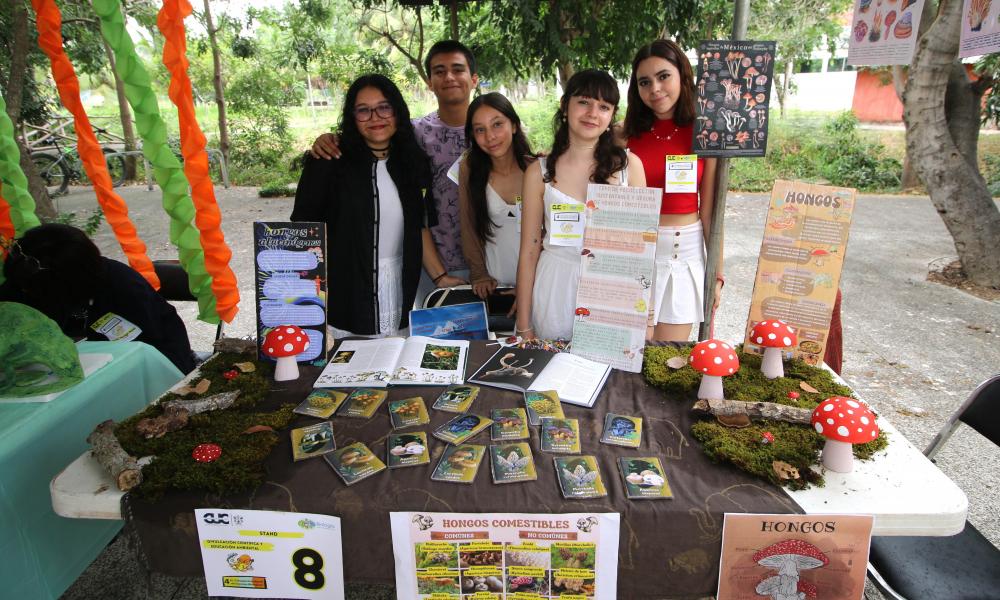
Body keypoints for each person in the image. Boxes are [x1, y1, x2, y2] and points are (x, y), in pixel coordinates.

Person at [311, 40, 478, 303]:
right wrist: (330, 138)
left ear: (474, 78)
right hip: (429, 263)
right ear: (429, 82)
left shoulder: (495, 131)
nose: (449, 77)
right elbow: (371, 136)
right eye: (439, 71)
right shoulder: (414, 134)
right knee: (433, 338)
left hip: (487, 262)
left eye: (458, 69)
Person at [292, 74, 433, 338]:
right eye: (363, 111)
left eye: (384, 107)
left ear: (397, 111)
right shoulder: (328, 161)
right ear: (351, 116)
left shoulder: (412, 162)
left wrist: (442, 277)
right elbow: (302, 231)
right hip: (346, 299)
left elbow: (420, 226)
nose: (375, 117)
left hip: (399, 291)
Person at [515, 69, 646, 341]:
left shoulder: (629, 167)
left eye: (604, 106)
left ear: (612, 116)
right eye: (584, 102)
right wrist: (524, 324)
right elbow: (528, 251)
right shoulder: (538, 173)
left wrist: (647, 313)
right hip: (555, 286)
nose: (592, 113)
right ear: (565, 106)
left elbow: (643, 250)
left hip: (612, 290)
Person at [622, 39, 722, 342]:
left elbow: (711, 211)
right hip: (636, 252)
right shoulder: (623, 135)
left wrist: (716, 274)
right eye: (644, 82)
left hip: (684, 252)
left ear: (682, 76)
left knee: (669, 356)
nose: (655, 89)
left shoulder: (705, 133)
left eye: (663, 76)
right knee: (631, 352)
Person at [0, 223, 195, 373]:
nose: (25, 292)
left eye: (31, 290)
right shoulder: (24, 280)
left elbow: (158, 356)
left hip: (144, 368)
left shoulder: (124, 288)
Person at [458, 92, 535, 299]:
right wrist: (479, 274)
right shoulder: (469, 169)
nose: (490, 136)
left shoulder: (536, 170)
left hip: (536, 284)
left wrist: (533, 285)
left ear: (514, 125)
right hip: (493, 287)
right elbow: (468, 225)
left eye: (497, 124)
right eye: (480, 130)